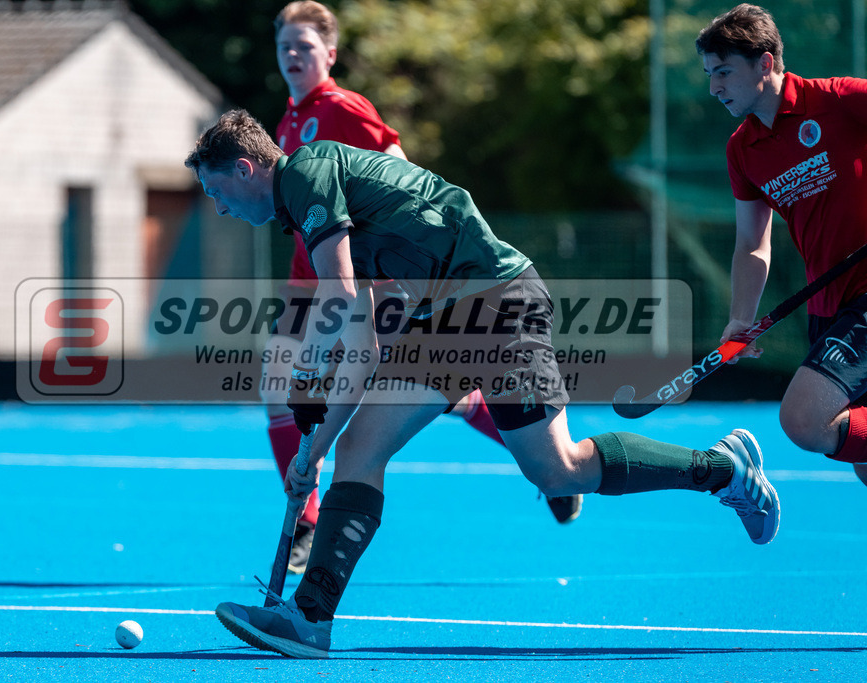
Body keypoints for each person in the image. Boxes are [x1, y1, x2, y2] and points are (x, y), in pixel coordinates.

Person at [185, 109, 779, 659]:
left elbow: (336, 302)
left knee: (558, 470)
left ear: (245, 169)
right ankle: (309, 620)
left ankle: (723, 470)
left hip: (498, 302)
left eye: (216, 192)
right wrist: (312, 451)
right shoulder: (315, 209)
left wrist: (307, 373)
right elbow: (362, 346)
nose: (219, 207)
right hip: (440, 322)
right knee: (358, 450)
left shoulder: (307, 174)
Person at [263, 1, 581, 575]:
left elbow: (398, 168)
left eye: (304, 47)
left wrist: (399, 263)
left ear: (329, 54)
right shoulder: (286, 122)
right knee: (277, 388)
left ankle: (547, 464)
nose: (292, 56)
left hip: (366, 276)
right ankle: (306, 519)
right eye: (285, 46)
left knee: (432, 390)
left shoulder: (344, 107)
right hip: (306, 276)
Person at [696, 5, 867, 485]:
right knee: (864, 460)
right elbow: (752, 243)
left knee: (805, 421)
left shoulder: (839, 100)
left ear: (765, 63)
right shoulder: (742, 149)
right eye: (711, 74)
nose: (714, 87)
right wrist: (740, 317)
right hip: (830, 306)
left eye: (724, 72)